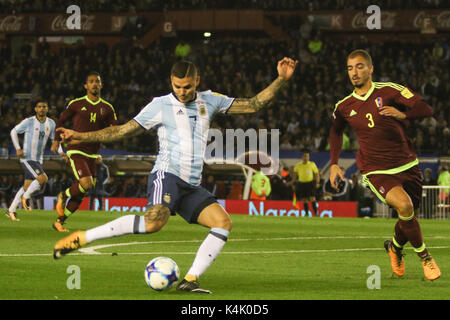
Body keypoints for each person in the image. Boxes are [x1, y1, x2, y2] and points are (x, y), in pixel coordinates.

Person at [53, 58, 297, 293]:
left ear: (197, 81)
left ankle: (190, 279)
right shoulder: (159, 105)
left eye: (187, 86)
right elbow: (120, 131)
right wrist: (79, 136)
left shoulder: (210, 100)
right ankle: (83, 237)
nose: (182, 91)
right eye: (177, 86)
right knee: (153, 223)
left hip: (191, 184)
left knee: (222, 223)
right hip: (167, 174)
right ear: (171, 82)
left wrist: (281, 79)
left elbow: (254, 104)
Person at [329, 49, 440, 280]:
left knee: (406, 214)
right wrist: (333, 164)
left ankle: (395, 248)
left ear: (371, 68)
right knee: (405, 206)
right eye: (350, 68)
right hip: (376, 169)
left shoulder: (390, 91)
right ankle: (425, 258)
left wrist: (403, 115)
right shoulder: (344, 105)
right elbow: (335, 132)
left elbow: (426, 109)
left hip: (407, 164)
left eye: (359, 66)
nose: (354, 72)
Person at [51, 71, 118, 232]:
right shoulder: (76, 103)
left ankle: (60, 221)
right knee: (86, 183)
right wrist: (55, 140)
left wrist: (106, 142)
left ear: (101, 85)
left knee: (84, 190)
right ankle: (63, 195)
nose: (95, 83)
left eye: (97, 81)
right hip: (76, 149)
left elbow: (114, 130)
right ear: (86, 86)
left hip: (93, 153)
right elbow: (60, 121)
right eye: (91, 81)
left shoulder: (107, 108)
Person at [4, 100, 66, 221]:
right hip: (27, 158)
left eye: (44, 106)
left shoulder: (51, 124)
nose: (42, 108)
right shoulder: (29, 121)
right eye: (39, 107)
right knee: (43, 179)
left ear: (47, 109)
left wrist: (61, 153)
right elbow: (13, 131)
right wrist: (18, 148)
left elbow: (55, 141)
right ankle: (25, 198)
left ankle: (11, 210)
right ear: (35, 109)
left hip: (38, 160)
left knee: (27, 186)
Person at [293, 150, 320, 216]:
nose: (306, 157)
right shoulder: (298, 165)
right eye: (304, 156)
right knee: (304, 199)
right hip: (301, 184)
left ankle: (316, 212)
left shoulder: (312, 164)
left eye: (307, 156)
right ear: (302, 157)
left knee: (312, 198)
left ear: (309, 157)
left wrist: (317, 182)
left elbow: (316, 174)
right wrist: (294, 183)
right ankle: (307, 213)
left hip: (310, 183)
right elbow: (295, 175)